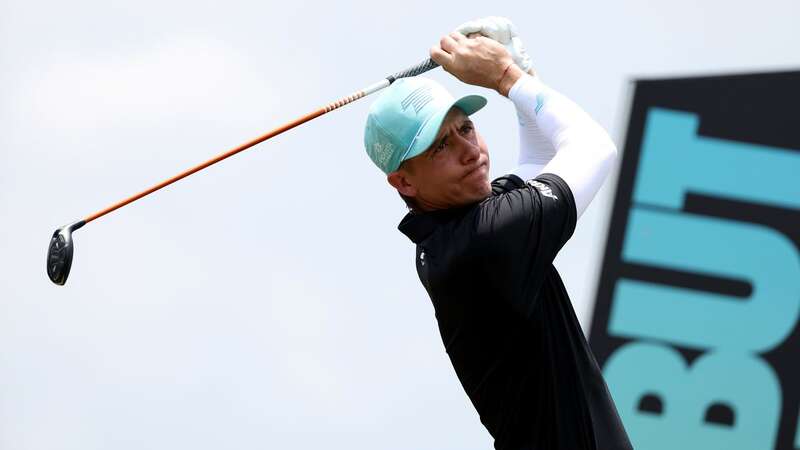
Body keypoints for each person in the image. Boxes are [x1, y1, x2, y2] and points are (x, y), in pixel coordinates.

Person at [363, 17, 633, 450]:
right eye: (441, 147)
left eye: (465, 128)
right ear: (404, 183)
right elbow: (594, 148)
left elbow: (543, 157)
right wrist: (507, 78)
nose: (470, 152)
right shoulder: (486, 239)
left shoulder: (464, 226)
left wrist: (522, 76)